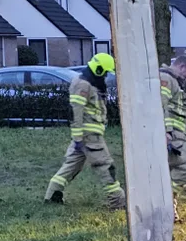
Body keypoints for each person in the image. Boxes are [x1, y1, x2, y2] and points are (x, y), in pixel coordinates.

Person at [44, 53, 125, 209]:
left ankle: (52, 195)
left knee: (71, 165)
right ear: (99, 69)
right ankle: (117, 200)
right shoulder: (83, 85)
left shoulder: (89, 83)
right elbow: (76, 112)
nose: (106, 76)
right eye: (105, 72)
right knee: (105, 165)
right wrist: (78, 137)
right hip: (89, 137)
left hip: (87, 136)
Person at [160, 56, 186, 218]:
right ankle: (166, 202)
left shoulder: (173, 81)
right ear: (181, 66)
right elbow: (161, 104)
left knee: (168, 170)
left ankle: (167, 207)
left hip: (176, 135)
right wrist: (166, 131)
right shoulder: (166, 79)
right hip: (172, 135)